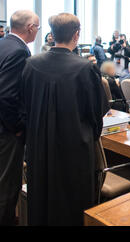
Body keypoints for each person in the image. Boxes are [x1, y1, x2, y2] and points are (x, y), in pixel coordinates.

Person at [21, 13, 110, 226]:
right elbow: (97, 111)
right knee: (72, 204)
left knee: (41, 197)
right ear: (76, 34)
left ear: (51, 35)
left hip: (39, 146)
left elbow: (25, 106)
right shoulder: (85, 68)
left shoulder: (31, 64)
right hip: (75, 148)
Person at [0, 9, 39, 226]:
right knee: (7, 186)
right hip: (7, 131)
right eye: (38, 28)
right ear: (30, 28)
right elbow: (7, 95)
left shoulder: (3, 43)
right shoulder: (19, 52)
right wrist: (17, 126)